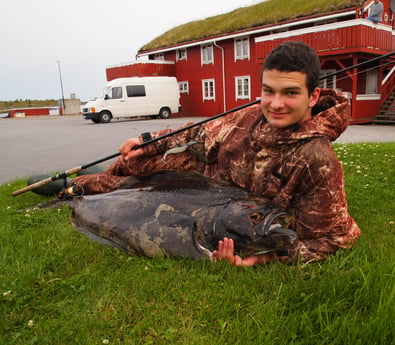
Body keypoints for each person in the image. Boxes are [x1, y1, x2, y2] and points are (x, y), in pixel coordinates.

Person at [64, 41, 361, 266]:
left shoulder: (317, 160)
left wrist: (265, 257)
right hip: (202, 184)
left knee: (133, 182)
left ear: (314, 96)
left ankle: (79, 188)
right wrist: (146, 141)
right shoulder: (250, 115)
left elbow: (334, 238)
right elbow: (197, 132)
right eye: (269, 91)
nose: (276, 103)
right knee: (136, 162)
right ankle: (80, 186)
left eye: (290, 93)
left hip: (227, 211)